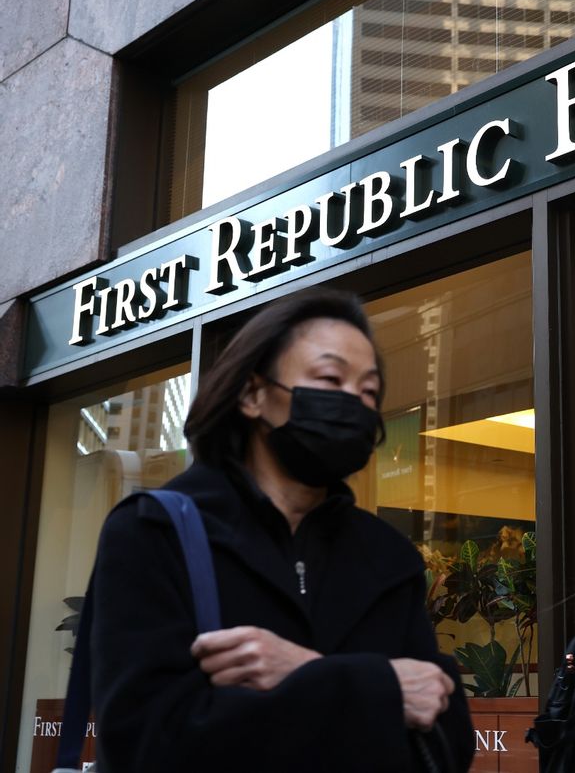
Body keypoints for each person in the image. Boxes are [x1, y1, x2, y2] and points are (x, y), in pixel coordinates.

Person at [89, 288, 474, 772]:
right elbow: (149, 743)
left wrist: (297, 672)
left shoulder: (388, 557)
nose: (354, 402)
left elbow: (446, 740)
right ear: (253, 394)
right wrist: (377, 690)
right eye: (331, 378)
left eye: (369, 391)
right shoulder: (155, 530)